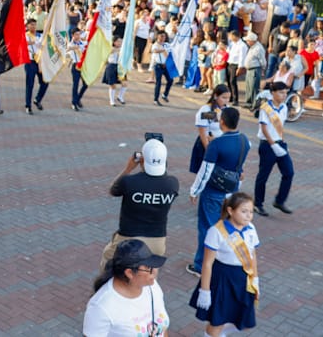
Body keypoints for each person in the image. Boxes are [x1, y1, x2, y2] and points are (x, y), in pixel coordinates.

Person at [188, 107, 250, 277]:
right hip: (232, 191)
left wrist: (194, 190)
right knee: (227, 227)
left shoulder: (216, 144)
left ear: (222, 122)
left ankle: (201, 265)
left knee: (208, 228)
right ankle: (223, 260)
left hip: (213, 191)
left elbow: (205, 171)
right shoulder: (245, 140)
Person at [100, 139, 179, 270]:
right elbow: (161, 177)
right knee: (149, 273)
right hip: (157, 240)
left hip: (127, 238)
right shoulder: (173, 184)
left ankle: (105, 289)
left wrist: (128, 168)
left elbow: (113, 190)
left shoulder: (129, 182)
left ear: (142, 159)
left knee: (109, 265)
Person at [189, 192, 259, 336]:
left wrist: (255, 279)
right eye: (244, 211)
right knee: (217, 321)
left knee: (242, 320)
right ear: (230, 211)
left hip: (242, 279)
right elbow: (207, 263)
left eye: (251, 212)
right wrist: (205, 291)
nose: (248, 215)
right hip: (222, 279)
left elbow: (252, 256)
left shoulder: (250, 229)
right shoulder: (216, 231)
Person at [83, 239, 169, 336]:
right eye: (148, 268)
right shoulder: (100, 307)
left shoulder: (152, 287)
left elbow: (162, 328)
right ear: (129, 273)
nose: (155, 272)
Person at [253, 81, 294, 216]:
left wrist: (282, 143)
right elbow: (264, 129)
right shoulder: (265, 108)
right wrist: (273, 144)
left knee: (289, 172)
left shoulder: (284, 107)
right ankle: (258, 204)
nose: (283, 95)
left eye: (285, 93)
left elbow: (280, 126)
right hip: (267, 145)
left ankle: (279, 201)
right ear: (273, 93)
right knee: (263, 176)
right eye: (281, 93)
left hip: (280, 143)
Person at [189, 85, 230, 174]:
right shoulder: (207, 110)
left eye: (228, 98)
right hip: (208, 144)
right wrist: (209, 150)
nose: (226, 101)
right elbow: (203, 131)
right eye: (224, 98)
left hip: (221, 145)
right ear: (215, 96)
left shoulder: (226, 109)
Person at [24, 18, 49, 113]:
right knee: (29, 84)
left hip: (40, 62)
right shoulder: (26, 35)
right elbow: (22, 44)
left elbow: (44, 44)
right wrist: (33, 42)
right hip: (30, 62)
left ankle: (37, 99)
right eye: (31, 25)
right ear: (27, 26)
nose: (33, 26)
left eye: (34, 24)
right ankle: (28, 105)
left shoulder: (40, 35)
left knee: (45, 82)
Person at [242, 32, 266, 109]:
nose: (247, 42)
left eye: (248, 40)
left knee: (254, 87)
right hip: (249, 69)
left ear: (252, 41)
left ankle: (254, 104)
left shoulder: (258, 48)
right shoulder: (252, 47)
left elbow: (262, 60)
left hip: (255, 69)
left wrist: (263, 69)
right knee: (249, 86)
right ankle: (248, 102)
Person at [102, 36, 127, 107]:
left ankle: (120, 96)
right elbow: (110, 51)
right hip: (111, 66)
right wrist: (120, 50)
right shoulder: (111, 48)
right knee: (112, 85)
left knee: (124, 83)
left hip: (120, 67)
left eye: (120, 41)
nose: (120, 43)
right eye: (118, 41)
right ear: (114, 42)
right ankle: (112, 100)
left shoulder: (122, 49)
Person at [150, 32, 173, 106]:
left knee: (170, 80)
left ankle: (165, 94)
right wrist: (162, 50)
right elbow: (154, 51)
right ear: (157, 36)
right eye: (161, 36)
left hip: (165, 66)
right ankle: (155, 99)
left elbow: (171, 51)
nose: (162, 38)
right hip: (158, 66)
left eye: (164, 36)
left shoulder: (167, 45)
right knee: (158, 82)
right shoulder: (155, 45)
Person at [68, 28, 88, 111]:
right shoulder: (70, 44)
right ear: (72, 35)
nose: (78, 36)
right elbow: (68, 48)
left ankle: (78, 98)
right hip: (75, 65)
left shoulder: (83, 43)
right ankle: (74, 102)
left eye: (79, 34)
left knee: (86, 84)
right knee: (75, 84)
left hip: (83, 66)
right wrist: (75, 47)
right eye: (76, 34)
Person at [226, 30, 247, 106]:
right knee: (229, 81)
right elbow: (228, 51)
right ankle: (230, 96)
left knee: (233, 81)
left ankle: (235, 99)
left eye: (231, 36)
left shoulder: (242, 45)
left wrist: (240, 67)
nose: (230, 38)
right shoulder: (232, 44)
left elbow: (242, 57)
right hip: (229, 63)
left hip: (236, 65)